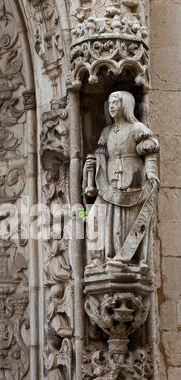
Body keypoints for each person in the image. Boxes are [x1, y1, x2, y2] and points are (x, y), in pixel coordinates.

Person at [84, 91, 160, 271]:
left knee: (124, 218)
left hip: (132, 179)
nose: (111, 106)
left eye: (115, 102)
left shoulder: (137, 128)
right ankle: (98, 258)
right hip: (108, 182)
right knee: (94, 216)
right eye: (109, 103)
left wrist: (150, 173)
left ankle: (126, 257)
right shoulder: (107, 131)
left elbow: (150, 152)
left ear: (125, 104)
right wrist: (93, 163)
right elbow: (101, 153)